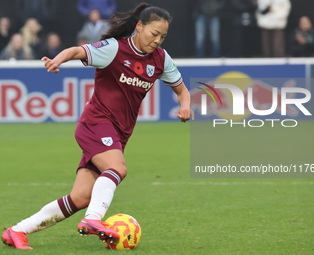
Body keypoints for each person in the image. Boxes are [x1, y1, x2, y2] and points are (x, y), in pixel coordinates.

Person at [1, 2, 192, 250]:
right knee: (117, 168)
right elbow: (77, 51)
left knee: (80, 197)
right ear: (139, 26)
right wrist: (56, 60)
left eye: (163, 36)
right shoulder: (114, 49)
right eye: (154, 34)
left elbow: (182, 90)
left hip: (118, 133)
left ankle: (16, 231)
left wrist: (185, 105)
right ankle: (93, 220)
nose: (158, 40)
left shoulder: (161, 59)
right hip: (96, 123)